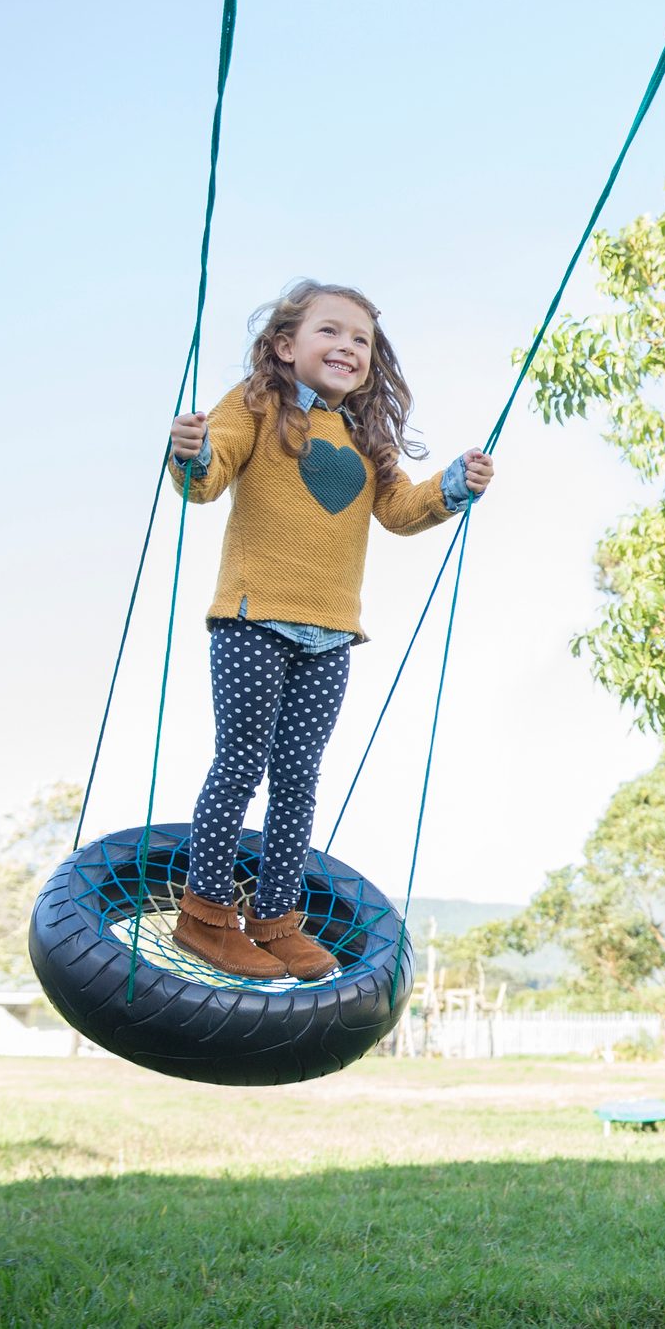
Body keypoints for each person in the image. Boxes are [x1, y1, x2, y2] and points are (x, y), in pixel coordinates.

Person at [165, 280, 493, 979]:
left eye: (361, 340)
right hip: (254, 619)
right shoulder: (253, 407)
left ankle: (278, 919)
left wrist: (455, 485)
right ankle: (205, 915)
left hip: (331, 635)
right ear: (285, 347)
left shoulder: (362, 438)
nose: (347, 347)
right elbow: (208, 476)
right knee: (240, 765)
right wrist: (189, 451)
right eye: (330, 332)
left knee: (298, 777)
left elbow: (402, 511)